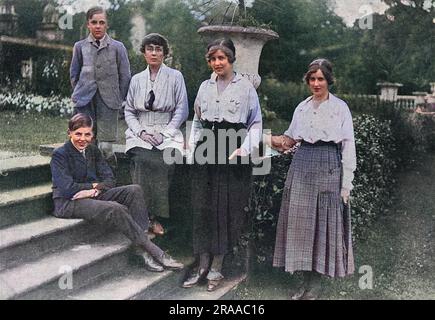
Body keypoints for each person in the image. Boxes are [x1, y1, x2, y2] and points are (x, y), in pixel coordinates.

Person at [50, 113, 184, 273]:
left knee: (134, 190)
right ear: (69, 133)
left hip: (91, 195)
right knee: (115, 208)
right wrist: (92, 188)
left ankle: (140, 248)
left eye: (87, 134)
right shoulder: (60, 155)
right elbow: (67, 189)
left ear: (92, 135)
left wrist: (92, 190)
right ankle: (153, 252)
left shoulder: (92, 150)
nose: (82, 139)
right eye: (78, 134)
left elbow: (109, 179)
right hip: (68, 203)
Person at [270, 58, 356, 300]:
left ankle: (314, 285)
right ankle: (304, 281)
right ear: (307, 81)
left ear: (329, 80)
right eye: (312, 79)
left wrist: (346, 182)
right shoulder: (302, 108)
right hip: (302, 164)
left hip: (328, 164)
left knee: (321, 224)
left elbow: (348, 146)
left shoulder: (340, 108)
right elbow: (290, 139)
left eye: (321, 79)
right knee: (300, 224)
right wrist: (267, 139)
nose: (316, 83)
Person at [183, 39, 262, 291]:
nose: (217, 63)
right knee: (202, 206)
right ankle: (202, 263)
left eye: (222, 59)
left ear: (231, 59)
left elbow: (256, 124)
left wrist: (245, 148)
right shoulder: (205, 87)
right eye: (213, 59)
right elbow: (196, 120)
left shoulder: (246, 88)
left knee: (224, 208)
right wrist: (191, 147)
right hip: (206, 149)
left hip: (232, 150)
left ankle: (217, 265)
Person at [124, 33, 188, 235]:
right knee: (142, 160)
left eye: (158, 49)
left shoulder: (175, 77)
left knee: (163, 161)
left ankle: (156, 217)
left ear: (164, 53)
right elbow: (129, 111)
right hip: (141, 131)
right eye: (149, 48)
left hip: (166, 130)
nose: (154, 53)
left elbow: (182, 110)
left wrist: (165, 133)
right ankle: (143, 218)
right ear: (144, 52)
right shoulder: (136, 80)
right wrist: (140, 131)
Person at [70, 6, 131, 164]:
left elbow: (125, 77)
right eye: (94, 22)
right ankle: (89, 183)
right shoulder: (80, 47)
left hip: (108, 103)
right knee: (86, 145)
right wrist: (81, 92)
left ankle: (109, 180)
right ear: (88, 24)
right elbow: (74, 75)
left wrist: (118, 98)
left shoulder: (118, 48)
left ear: (107, 25)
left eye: (101, 22)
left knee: (105, 147)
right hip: (84, 102)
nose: (98, 26)